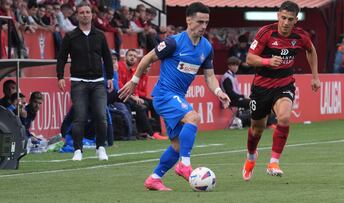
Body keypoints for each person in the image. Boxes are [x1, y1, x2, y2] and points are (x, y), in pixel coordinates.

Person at [119, 2, 230, 191]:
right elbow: (147, 58)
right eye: (200, 21)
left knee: (177, 145)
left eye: (206, 22)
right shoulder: (174, 42)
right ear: (188, 20)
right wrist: (134, 81)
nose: (204, 26)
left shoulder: (206, 47)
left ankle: (154, 178)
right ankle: (184, 165)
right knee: (193, 117)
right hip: (164, 95)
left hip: (177, 96)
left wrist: (219, 92)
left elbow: (209, 76)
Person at [242, 1, 321, 181]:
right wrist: (268, 61)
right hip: (261, 88)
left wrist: (315, 76)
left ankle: (274, 162)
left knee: (284, 118)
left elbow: (311, 50)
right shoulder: (266, 33)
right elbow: (249, 58)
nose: (286, 22)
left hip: (284, 85)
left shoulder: (300, 36)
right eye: (283, 18)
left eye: (290, 19)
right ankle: (251, 157)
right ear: (278, 16)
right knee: (257, 130)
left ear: (296, 21)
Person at [56, 1, 113, 161]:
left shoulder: (100, 35)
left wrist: (110, 77)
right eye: (81, 12)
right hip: (78, 82)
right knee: (79, 117)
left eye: (87, 12)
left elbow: (107, 57)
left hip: (98, 82)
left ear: (92, 14)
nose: (85, 15)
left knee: (101, 116)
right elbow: (61, 58)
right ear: (77, 15)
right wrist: (60, 76)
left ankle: (101, 148)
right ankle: (77, 150)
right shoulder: (70, 36)